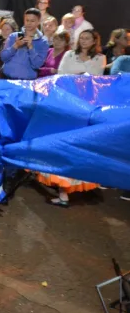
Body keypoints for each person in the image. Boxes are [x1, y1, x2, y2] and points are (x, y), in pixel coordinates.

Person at [36, 30, 105, 207]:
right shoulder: (69, 54)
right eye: (81, 37)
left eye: (87, 38)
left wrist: (79, 78)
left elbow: (96, 80)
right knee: (60, 142)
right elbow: (61, 75)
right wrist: (79, 77)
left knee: (75, 146)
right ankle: (61, 190)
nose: (83, 41)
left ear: (94, 40)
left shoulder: (99, 58)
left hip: (84, 107)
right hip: (65, 104)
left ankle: (65, 190)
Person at [0, 8, 49, 80]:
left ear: (38, 21)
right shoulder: (13, 36)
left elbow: (37, 65)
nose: (29, 23)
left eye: (32, 21)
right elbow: (3, 58)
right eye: (27, 20)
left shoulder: (43, 41)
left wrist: (31, 47)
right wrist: (15, 46)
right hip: (7, 78)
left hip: (27, 82)